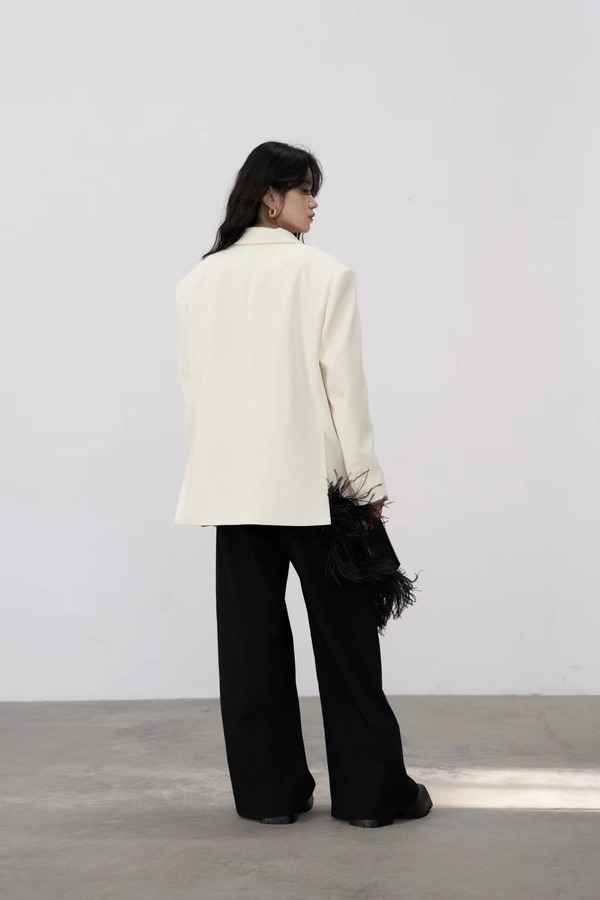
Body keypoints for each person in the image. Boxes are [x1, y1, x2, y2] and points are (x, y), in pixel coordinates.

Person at [173, 140, 432, 827]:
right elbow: (345, 390)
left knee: (250, 650)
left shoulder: (197, 282)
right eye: (306, 190)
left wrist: (213, 473)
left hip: (235, 489)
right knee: (347, 648)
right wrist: (366, 484)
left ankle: (269, 797)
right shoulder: (323, 274)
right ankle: (372, 797)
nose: (315, 203)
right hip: (316, 492)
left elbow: (196, 396)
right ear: (270, 197)